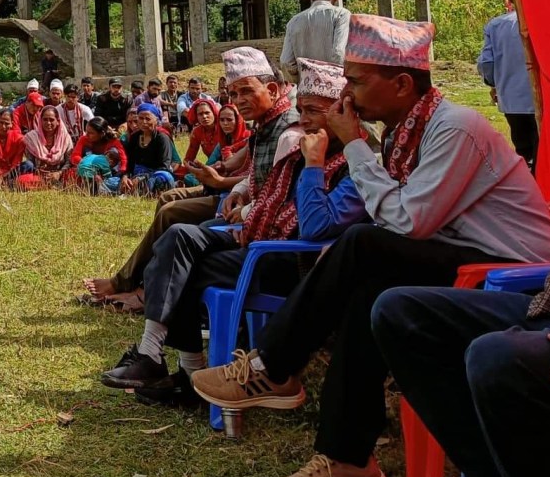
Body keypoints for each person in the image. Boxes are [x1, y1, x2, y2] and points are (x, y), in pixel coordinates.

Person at [190, 15, 550, 477]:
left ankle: (275, 366)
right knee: (369, 290)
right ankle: (347, 461)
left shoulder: (454, 128)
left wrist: (359, 147)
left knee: (365, 245)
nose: (348, 92)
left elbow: (407, 223)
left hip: (512, 272)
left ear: (402, 84)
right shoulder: (410, 133)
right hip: (466, 255)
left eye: (358, 81)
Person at [102, 59, 365, 403]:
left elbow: (315, 229)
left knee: (183, 265)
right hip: (256, 240)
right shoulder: (300, 148)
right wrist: (246, 210)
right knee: (179, 235)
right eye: (302, 109)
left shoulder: (353, 164)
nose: (304, 119)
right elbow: (267, 195)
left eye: (315, 111)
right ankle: (156, 356)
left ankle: (186, 372)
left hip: (292, 264)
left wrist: (313, 166)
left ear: (344, 114)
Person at [373, 219, 550, 477]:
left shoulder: (470, 163)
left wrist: (351, 168)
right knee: (398, 312)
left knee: (495, 357)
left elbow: (413, 217)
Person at [82, 47, 298, 313]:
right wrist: (236, 190)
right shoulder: (261, 124)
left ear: (274, 90)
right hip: (234, 202)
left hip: (259, 225)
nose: (239, 101)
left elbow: (280, 193)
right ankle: (134, 287)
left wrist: (228, 190)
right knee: (171, 207)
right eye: (234, 94)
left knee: (175, 220)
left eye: (246, 91)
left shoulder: (288, 130)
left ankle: (142, 292)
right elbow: (250, 173)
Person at [478, 0, 538, 170]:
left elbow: (486, 63)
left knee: (524, 149)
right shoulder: (548, 20)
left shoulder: (496, 25)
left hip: (512, 100)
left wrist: (494, 84)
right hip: (545, 99)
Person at [279, 0, 351, 81]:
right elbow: (339, 54)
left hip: (305, 92)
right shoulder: (342, 15)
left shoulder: (294, 21)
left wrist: (303, 81)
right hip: (334, 90)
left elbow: (286, 62)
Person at [18, 106, 73, 190]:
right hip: (39, 176)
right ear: (40, 120)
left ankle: (49, 186)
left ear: (58, 121)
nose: (48, 123)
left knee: (73, 175)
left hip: (60, 175)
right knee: (21, 181)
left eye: (51, 120)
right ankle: (51, 186)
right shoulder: (32, 137)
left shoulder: (65, 138)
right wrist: (39, 171)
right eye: (45, 119)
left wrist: (58, 173)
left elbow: (69, 161)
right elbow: (30, 162)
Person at [125, 108, 178, 194]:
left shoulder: (162, 138)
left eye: (148, 119)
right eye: (141, 118)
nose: (144, 122)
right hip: (136, 173)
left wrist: (142, 178)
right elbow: (130, 163)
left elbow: (164, 165)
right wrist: (125, 176)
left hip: (156, 173)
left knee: (162, 178)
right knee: (114, 182)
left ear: (156, 120)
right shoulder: (134, 137)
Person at [74, 116, 127, 194]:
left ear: (102, 133)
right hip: (87, 169)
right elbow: (75, 156)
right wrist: (89, 164)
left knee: (113, 152)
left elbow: (123, 160)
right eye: (86, 131)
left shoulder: (113, 142)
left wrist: (121, 173)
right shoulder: (84, 139)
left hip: (107, 171)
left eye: (91, 133)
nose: (87, 135)